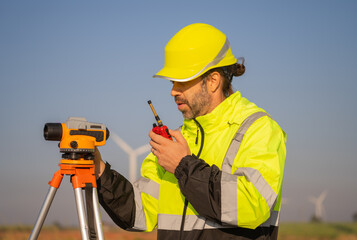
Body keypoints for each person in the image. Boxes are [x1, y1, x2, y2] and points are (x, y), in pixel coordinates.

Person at [94, 23, 287, 240]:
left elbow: (254, 205)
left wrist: (183, 166)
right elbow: (140, 213)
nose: (173, 91)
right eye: (172, 82)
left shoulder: (258, 128)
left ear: (213, 81)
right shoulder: (176, 142)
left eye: (182, 81)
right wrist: (100, 172)